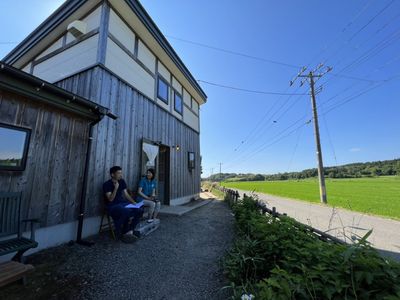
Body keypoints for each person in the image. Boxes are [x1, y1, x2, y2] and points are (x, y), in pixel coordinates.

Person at [103, 166, 142, 241]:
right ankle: (121, 232)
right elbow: (110, 199)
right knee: (126, 211)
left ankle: (130, 230)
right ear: (112, 174)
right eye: (118, 173)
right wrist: (116, 188)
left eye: (121, 173)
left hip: (122, 203)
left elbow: (126, 194)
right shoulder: (106, 184)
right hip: (112, 206)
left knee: (139, 210)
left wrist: (134, 202)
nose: (121, 175)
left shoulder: (122, 181)